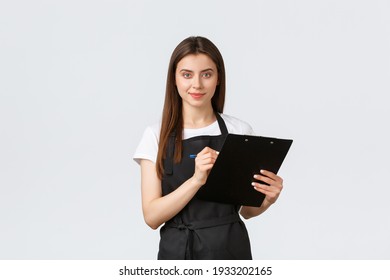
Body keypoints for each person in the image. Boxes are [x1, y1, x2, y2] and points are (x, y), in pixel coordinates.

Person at [133, 36, 284, 260]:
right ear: (174, 79)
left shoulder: (239, 130)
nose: (197, 84)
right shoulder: (156, 136)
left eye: (207, 74)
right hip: (179, 253)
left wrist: (268, 199)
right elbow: (152, 217)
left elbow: (247, 212)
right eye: (187, 74)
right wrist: (196, 180)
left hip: (231, 251)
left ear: (218, 79)